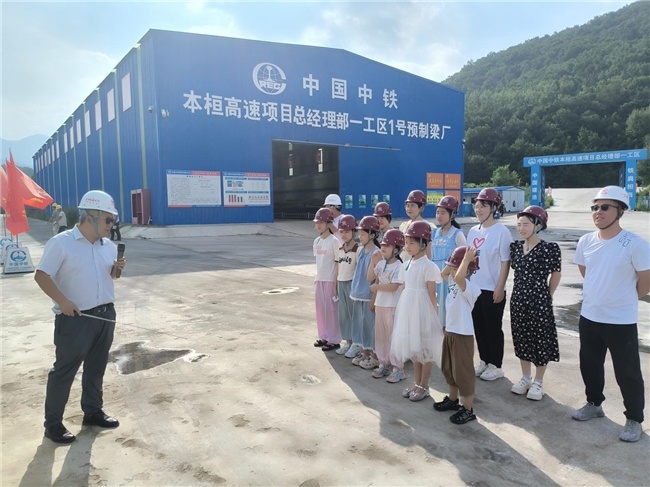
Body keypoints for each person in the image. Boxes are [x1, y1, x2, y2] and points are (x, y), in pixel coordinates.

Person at [34, 190, 126, 444]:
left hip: (105, 315)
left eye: (113, 220)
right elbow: (41, 275)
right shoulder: (61, 243)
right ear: (90, 216)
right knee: (64, 371)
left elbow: (109, 277)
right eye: (108, 220)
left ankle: (93, 412)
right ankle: (53, 425)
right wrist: (62, 301)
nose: (111, 225)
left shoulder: (108, 246)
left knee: (96, 368)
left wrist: (116, 270)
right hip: (75, 318)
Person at [572, 186, 650, 443]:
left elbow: (646, 280)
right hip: (590, 316)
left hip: (620, 320)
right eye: (595, 207)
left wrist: (623, 298)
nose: (598, 211)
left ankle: (634, 419)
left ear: (620, 211)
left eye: (605, 207)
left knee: (627, 371)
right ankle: (594, 404)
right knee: (589, 364)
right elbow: (587, 272)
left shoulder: (634, 244)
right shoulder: (586, 241)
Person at [509, 206, 561, 401]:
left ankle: (538, 381)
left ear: (538, 225)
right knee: (522, 338)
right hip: (518, 300)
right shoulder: (515, 247)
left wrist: (548, 295)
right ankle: (525, 377)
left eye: (526, 224)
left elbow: (556, 273)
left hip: (539, 301)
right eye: (519, 224)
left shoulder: (550, 248)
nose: (521, 228)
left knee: (540, 340)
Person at [391, 221, 443, 401]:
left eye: (412, 243)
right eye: (406, 242)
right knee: (414, 348)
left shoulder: (428, 266)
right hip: (408, 308)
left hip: (423, 310)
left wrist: (433, 316)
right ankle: (417, 382)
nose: (407, 246)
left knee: (425, 348)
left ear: (423, 244)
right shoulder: (406, 264)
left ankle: (424, 385)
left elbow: (431, 294)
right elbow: (405, 287)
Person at [467, 188, 513, 381]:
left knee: (493, 328)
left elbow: (505, 261)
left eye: (483, 206)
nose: (479, 209)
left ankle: (496, 365)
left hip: (492, 288)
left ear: (494, 207)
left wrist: (500, 287)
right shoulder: (473, 231)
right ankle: (484, 361)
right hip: (475, 288)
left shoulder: (502, 232)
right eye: (477, 206)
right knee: (478, 327)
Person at [434, 246, 481, 424]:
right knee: (449, 368)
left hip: (462, 335)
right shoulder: (454, 283)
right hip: (451, 331)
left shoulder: (471, 287)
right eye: (453, 268)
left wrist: (465, 260)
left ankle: (468, 409)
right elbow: (443, 273)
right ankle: (453, 400)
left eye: (456, 268)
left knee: (463, 372)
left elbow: (459, 277)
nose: (453, 272)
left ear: (468, 269)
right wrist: (454, 259)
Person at [368, 229, 404, 382]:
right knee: (381, 336)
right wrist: (373, 260)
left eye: (387, 246)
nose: (383, 248)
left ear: (396, 249)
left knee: (393, 336)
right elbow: (369, 277)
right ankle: (384, 363)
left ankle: (398, 368)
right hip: (380, 304)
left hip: (392, 305)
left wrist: (377, 287)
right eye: (382, 245)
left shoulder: (399, 266)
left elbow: (393, 287)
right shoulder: (381, 263)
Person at [346, 216, 382, 367]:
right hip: (358, 294)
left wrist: (374, 298)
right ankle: (365, 352)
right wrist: (353, 291)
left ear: (372, 235)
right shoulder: (361, 250)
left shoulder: (377, 253)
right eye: (359, 233)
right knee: (360, 325)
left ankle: (374, 356)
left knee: (369, 326)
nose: (359, 237)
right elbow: (357, 272)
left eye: (363, 234)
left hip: (368, 295)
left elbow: (378, 278)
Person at [432, 196, 467, 329]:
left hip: (449, 278)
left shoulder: (457, 234)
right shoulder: (434, 233)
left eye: (443, 213)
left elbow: (465, 258)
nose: (439, 216)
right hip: (435, 276)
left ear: (452, 215)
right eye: (437, 212)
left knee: (448, 311)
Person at [311, 207, 342, 351]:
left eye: (322, 222)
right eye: (317, 222)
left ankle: (334, 339)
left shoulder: (334, 241)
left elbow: (337, 264)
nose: (318, 225)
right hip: (319, 279)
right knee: (321, 310)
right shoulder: (317, 241)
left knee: (331, 311)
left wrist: (335, 285)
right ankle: (324, 336)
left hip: (330, 280)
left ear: (329, 223)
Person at [334, 215, 359, 355]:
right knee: (343, 315)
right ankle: (348, 342)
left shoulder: (358, 249)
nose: (344, 235)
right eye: (341, 232)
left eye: (347, 231)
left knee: (353, 314)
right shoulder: (340, 249)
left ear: (354, 231)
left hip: (351, 284)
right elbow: (338, 268)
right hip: (341, 282)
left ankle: (356, 343)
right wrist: (336, 285)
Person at [399, 190, 435, 261]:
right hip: (403, 263)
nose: (409, 209)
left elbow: (430, 250)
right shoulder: (403, 226)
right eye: (407, 205)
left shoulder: (429, 227)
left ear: (420, 208)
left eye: (412, 205)